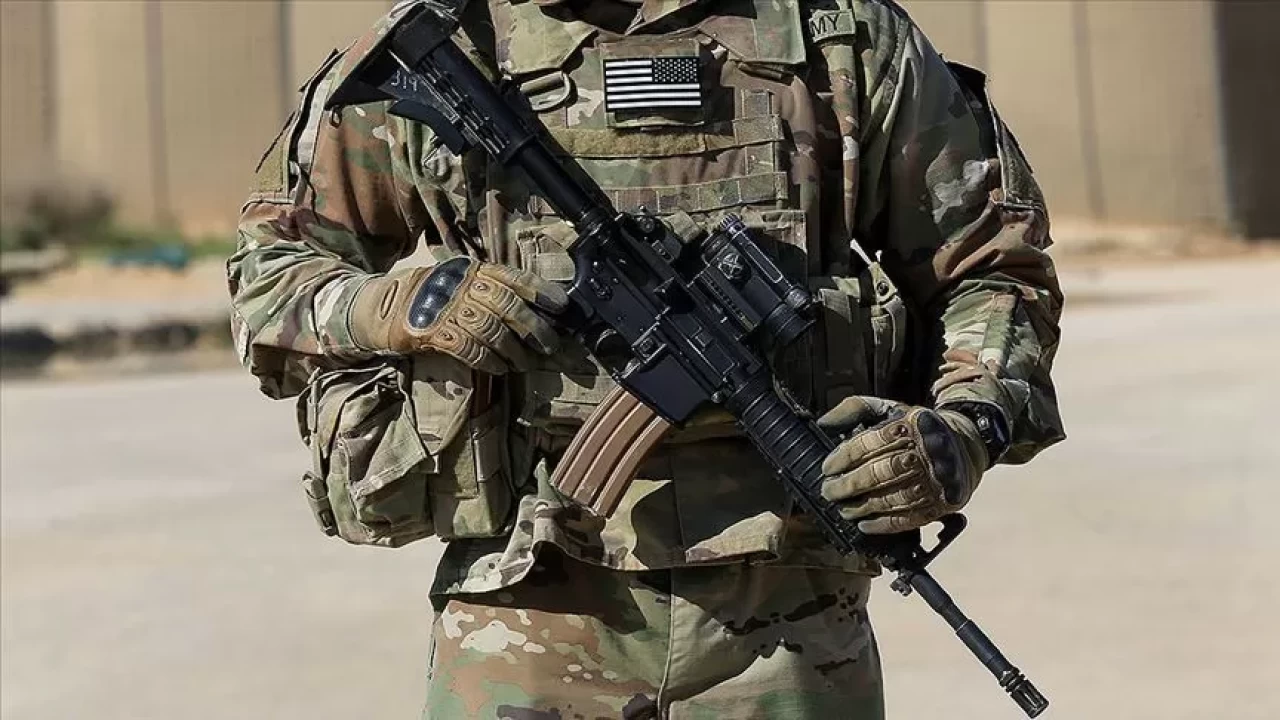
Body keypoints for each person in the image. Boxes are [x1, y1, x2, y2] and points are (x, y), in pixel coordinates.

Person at [227, 0, 1065, 716]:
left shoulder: (839, 38)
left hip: (792, 625)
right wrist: (396, 307)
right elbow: (270, 273)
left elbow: (994, 271)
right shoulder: (457, 42)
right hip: (520, 620)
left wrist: (967, 426)